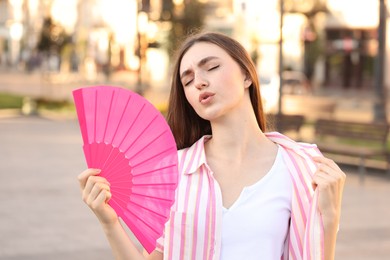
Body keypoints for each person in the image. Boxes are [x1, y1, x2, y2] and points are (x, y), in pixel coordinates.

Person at [78, 31, 346, 260]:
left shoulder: (300, 168)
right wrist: (109, 221)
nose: (199, 81)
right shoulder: (174, 171)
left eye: (212, 67)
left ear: (246, 75)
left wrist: (330, 217)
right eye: (187, 79)